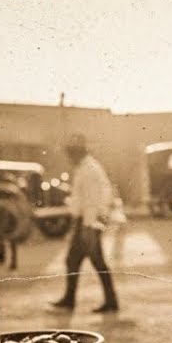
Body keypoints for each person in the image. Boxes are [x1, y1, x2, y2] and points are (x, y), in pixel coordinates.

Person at [50, 133, 119, 313]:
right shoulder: (84, 167)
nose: (69, 158)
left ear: (77, 153)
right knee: (72, 261)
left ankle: (110, 302)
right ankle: (70, 299)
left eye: (71, 154)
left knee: (97, 261)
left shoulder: (89, 169)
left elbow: (94, 200)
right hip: (83, 222)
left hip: (89, 223)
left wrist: (89, 226)